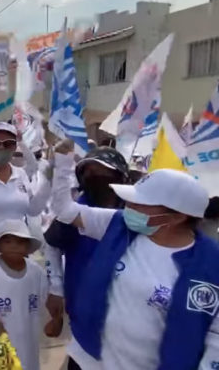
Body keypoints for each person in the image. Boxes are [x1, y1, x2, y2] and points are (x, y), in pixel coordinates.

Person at [52, 139, 219, 369]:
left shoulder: (211, 263)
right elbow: (65, 211)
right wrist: (62, 165)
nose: (129, 206)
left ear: (176, 217)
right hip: (88, 358)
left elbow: (215, 335)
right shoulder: (119, 225)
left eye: (140, 203)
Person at [42, 146, 131, 368]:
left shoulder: (136, 213)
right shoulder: (75, 212)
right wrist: (55, 288)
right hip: (83, 310)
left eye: (102, 171)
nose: (94, 177)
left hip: (126, 315)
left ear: (121, 176)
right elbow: (51, 245)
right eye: (88, 172)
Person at [0, 219, 51, 370]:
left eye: (20, 242)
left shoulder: (36, 272)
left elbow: (45, 299)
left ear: (27, 247)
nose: (14, 246)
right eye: (8, 241)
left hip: (28, 337)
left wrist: (55, 318)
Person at [0, 122, 50, 264]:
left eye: (8, 143)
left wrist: (48, 185)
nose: (1, 147)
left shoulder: (20, 175)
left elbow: (32, 210)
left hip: (19, 250)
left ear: (14, 147)